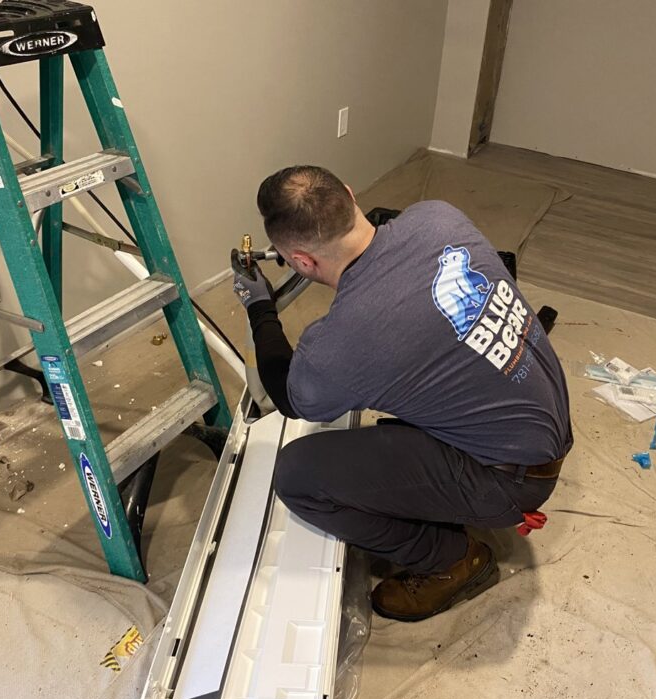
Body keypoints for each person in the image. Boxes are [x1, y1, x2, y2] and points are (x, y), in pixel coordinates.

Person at [231, 165, 571, 622]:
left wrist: (259, 307)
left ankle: (452, 560)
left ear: (302, 261)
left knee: (298, 476)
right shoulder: (437, 217)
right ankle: (452, 497)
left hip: (512, 479)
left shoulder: (342, 342)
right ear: (350, 195)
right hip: (542, 422)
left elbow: (293, 400)